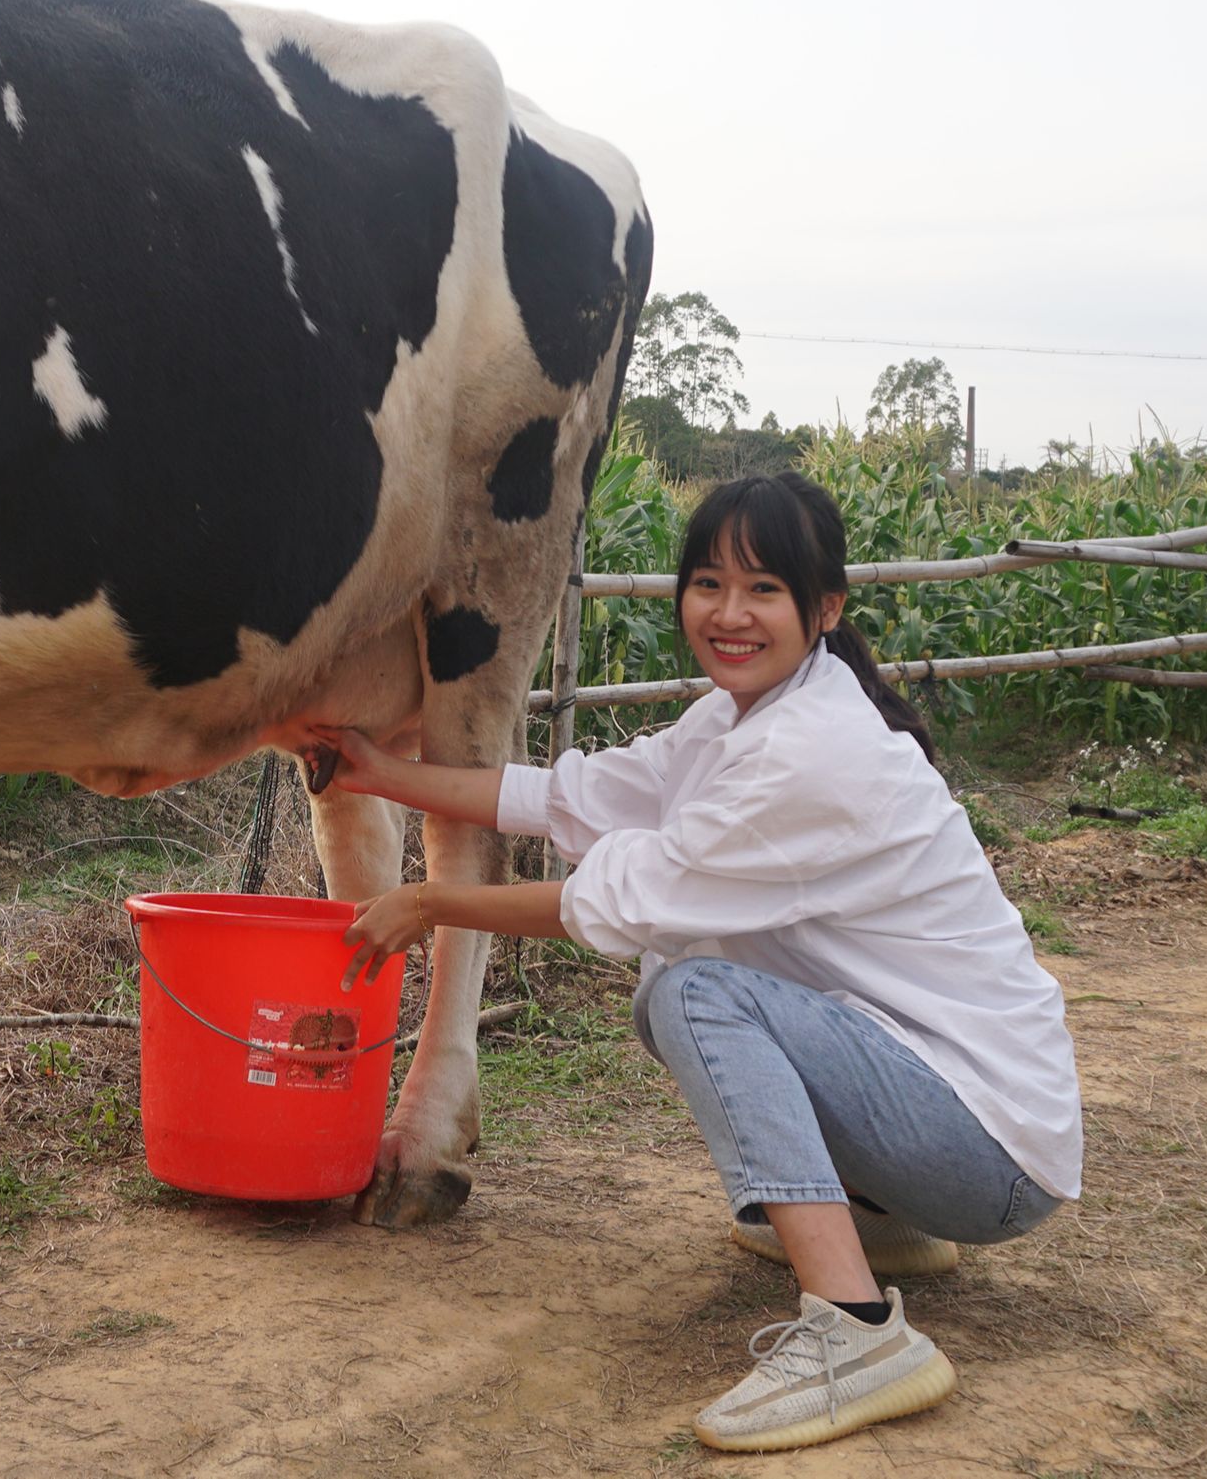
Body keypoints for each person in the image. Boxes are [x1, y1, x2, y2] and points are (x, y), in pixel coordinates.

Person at [314, 471, 1081, 1454]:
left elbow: (618, 902)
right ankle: (879, 1224)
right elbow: (578, 796)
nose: (728, 613)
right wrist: (383, 774)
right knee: (674, 978)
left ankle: (854, 1328)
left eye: (762, 589)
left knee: (694, 990)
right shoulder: (746, 715)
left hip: (986, 1154)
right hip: (954, 1117)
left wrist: (426, 900)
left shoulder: (809, 751)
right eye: (706, 583)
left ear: (824, 608)